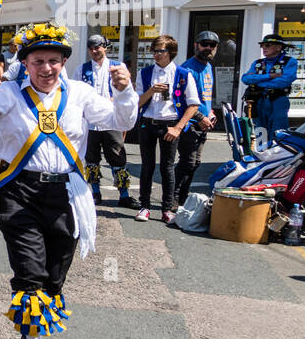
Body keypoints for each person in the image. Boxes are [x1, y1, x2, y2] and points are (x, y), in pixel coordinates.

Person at [0, 23, 137, 339]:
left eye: (53, 60)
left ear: (63, 62)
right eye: (38, 60)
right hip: (19, 194)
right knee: (30, 274)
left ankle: (28, 336)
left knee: (54, 279)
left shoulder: (81, 95)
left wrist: (125, 92)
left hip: (68, 196)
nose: (46, 68)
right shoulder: (7, 93)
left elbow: (123, 121)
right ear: (24, 62)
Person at [133, 35, 199, 224]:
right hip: (147, 122)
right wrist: (150, 91)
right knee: (147, 166)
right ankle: (144, 206)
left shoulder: (183, 73)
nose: (155, 55)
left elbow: (193, 104)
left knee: (167, 168)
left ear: (170, 52)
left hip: (170, 124)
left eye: (159, 51)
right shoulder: (145, 73)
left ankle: (167, 209)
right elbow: (137, 102)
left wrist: (178, 128)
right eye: (153, 51)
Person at [78, 34, 133, 207]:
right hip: (90, 123)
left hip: (112, 121)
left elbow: (126, 89)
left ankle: (124, 195)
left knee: (118, 159)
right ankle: (95, 193)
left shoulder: (118, 66)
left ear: (105, 47)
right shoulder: (82, 69)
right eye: (91, 48)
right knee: (92, 159)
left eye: (98, 47)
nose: (95, 50)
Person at [173, 31, 219, 211]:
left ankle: (183, 198)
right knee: (187, 162)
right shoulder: (188, 68)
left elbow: (204, 96)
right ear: (196, 45)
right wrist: (201, 117)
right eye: (204, 43)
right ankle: (174, 198)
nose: (208, 47)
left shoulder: (207, 66)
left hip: (203, 123)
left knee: (194, 163)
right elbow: (181, 100)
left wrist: (211, 111)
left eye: (212, 45)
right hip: (189, 124)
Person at [241, 33, 297, 147]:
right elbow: (246, 79)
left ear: (278, 47)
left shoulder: (290, 62)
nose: (264, 48)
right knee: (260, 130)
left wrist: (257, 81)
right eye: (262, 45)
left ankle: (277, 157)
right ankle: (262, 155)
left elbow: (284, 81)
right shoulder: (258, 63)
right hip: (258, 101)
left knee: (278, 131)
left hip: (278, 100)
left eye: (268, 45)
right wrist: (270, 76)